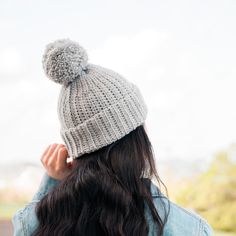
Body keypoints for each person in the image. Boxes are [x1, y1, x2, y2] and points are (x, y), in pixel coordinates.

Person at [12, 39, 213, 236]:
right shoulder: (190, 228)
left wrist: (53, 182)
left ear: (76, 149)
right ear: (137, 139)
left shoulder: (38, 223)